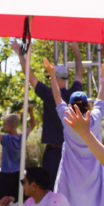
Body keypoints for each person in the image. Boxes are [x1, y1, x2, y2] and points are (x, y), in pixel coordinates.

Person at [44, 57, 104, 206]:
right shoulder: (95, 117)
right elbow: (100, 98)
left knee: (60, 203)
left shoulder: (66, 118)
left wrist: (52, 75)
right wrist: (103, 78)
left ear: (70, 106)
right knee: (103, 205)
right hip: (93, 174)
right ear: (88, 106)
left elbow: (57, 97)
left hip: (71, 172)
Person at [13, 40, 83, 188]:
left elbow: (30, 77)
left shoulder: (50, 95)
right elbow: (79, 74)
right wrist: (76, 51)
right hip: (72, 151)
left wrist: (20, 54)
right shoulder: (74, 95)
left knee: (50, 190)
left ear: (54, 78)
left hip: (54, 153)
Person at [0, 102, 36, 206]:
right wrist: (30, 112)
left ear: (9, 127)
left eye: (4, 125)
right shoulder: (23, 137)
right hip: (19, 173)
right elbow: (33, 125)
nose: (3, 127)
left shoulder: (7, 139)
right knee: (23, 198)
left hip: (6, 174)